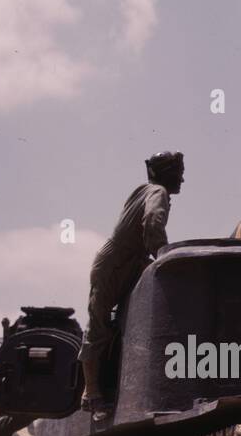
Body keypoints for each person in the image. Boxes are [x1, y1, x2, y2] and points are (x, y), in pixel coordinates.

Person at [79, 151, 185, 420]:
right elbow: (151, 221)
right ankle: (92, 394)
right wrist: (162, 253)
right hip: (116, 263)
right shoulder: (157, 191)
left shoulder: (146, 189)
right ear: (167, 173)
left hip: (128, 260)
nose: (182, 178)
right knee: (100, 325)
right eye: (178, 171)